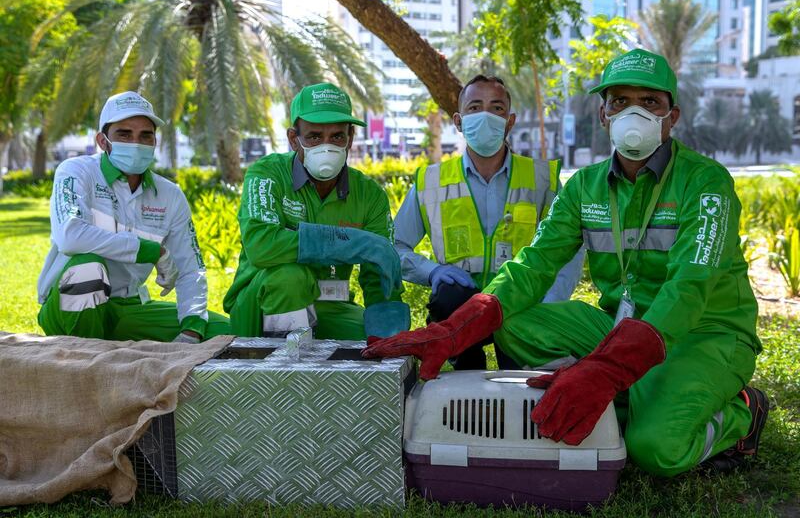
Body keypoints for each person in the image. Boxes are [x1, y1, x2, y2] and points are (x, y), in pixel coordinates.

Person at [363, 49, 768, 477]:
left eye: (649, 102)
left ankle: (743, 413)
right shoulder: (584, 188)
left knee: (655, 449)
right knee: (511, 321)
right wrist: (455, 327)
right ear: (603, 114)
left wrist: (606, 368)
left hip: (704, 333)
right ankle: (629, 388)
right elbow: (533, 266)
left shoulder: (705, 181)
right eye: (619, 101)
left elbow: (690, 287)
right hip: (621, 327)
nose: (634, 112)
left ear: (673, 116)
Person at [393, 74, 584, 370]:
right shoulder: (430, 182)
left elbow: (571, 245)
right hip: (460, 304)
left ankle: (517, 371)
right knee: (449, 299)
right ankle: (465, 379)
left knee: (519, 380)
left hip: (522, 300)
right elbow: (396, 246)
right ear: (458, 121)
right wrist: (432, 272)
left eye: (496, 108)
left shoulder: (542, 179)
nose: (485, 116)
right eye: (474, 107)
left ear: (509, 121)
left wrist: (552, 299)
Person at [37, 91, 230, 343]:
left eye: (145, 135)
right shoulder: (76, 172)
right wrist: (151, 251)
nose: (136, 143)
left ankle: (112, 345)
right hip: (66, 304)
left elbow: (190, 269)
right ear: (103, 141)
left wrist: (191, 329)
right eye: (124, 134)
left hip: (129, 308)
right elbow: (70, 237)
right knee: (87, 267)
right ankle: (85, 361)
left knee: (227, 332)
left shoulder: (169, 194)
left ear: (154, 142)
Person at [223, 83, 407, 339]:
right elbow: (260, 245)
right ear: (293, 139)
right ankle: (282, 365)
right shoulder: (267, 175)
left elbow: (380, 274)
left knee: (372, 341)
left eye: (337, 137)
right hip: (262, 304)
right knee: (290, 277)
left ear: (350, 138)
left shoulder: (369, 195)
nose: (327, 146)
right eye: (314, 136)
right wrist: (347, 241)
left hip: (331, 305)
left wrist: (389, 327)